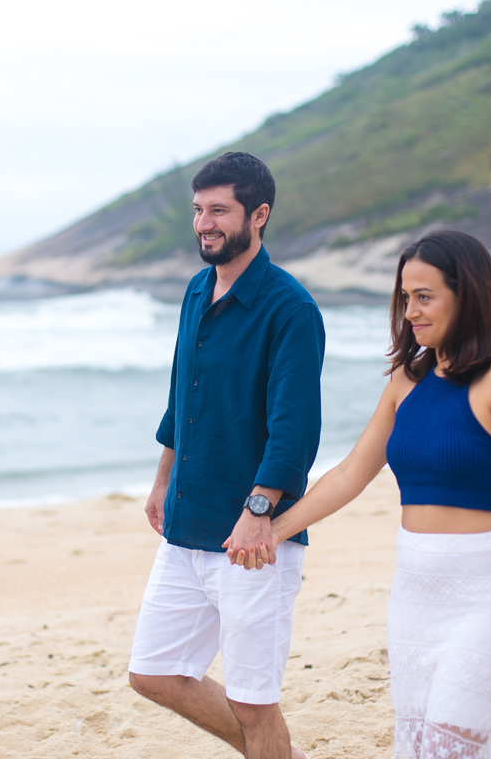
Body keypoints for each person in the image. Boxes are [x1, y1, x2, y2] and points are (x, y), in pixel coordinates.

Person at [234, 230, 491, 759]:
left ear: (468, 295)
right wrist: (273, 530)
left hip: (484, 600)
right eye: (405, 297)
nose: (410, 310)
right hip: (413, 603)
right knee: (413, 749)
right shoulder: (405, 380)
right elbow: (350, 474)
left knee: (446, 751)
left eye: (425, 296)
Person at [127, 151, 325, 759]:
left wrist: (259, 509)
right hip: (187, 523)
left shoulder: (291, 310)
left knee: (253, 701)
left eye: (218, 210)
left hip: (252, 540)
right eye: (197, 210)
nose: (204, 223)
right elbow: (180, 396)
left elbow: (295, 432)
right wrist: (163, 480)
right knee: (153, 672)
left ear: (258, 215)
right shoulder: (194, 290)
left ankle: (268, 748)